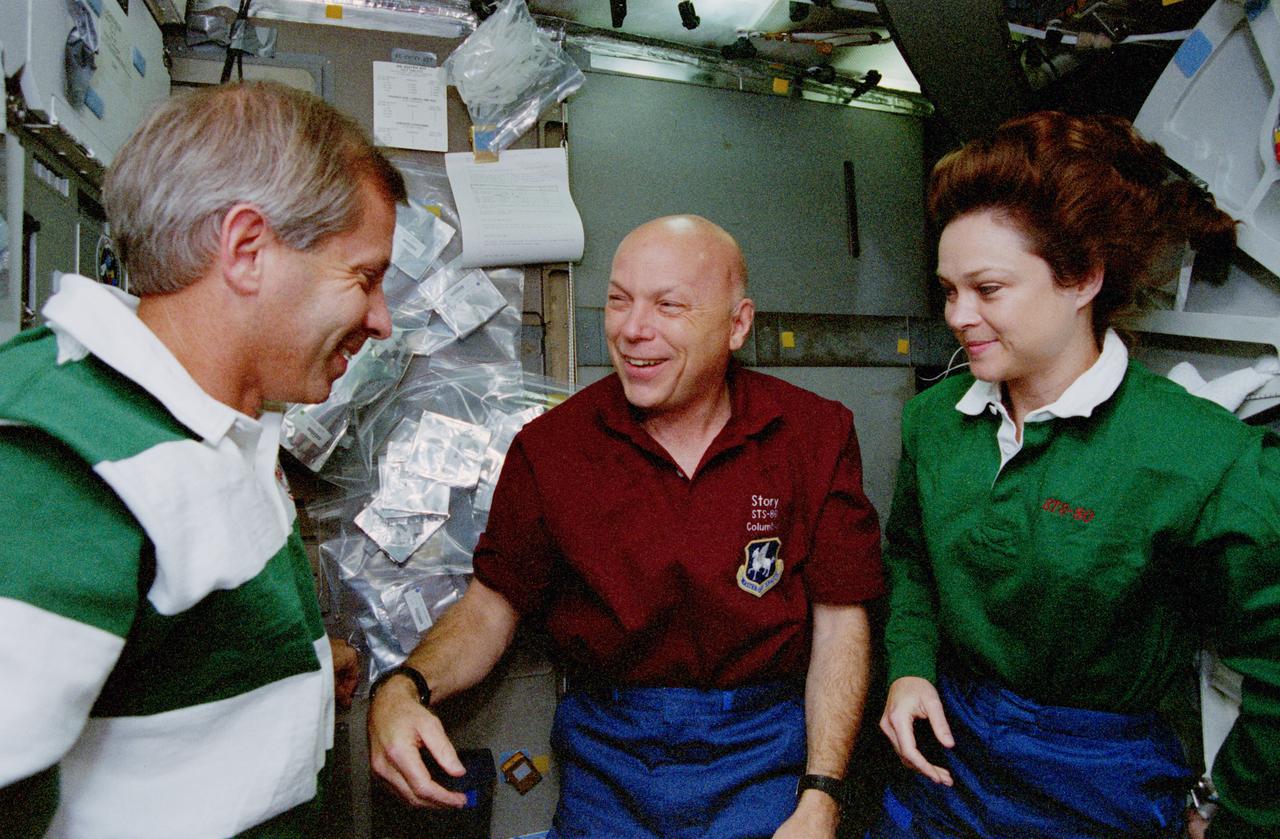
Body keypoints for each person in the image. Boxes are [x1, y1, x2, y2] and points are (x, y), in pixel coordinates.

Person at [369, 214, 885, 838]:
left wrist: (822, 794)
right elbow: (489, 611)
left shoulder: (812, 434)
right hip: (609, 757)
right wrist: (404, 686)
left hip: (765, 750)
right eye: (617, 301)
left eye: (668, 305)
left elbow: (840, 624)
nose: (633, 330)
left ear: (738, 324)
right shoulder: (552, 449)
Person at [0, 81, 405, 837]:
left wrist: (304, 660)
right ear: (248, 250)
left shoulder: (213, 427)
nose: (380, 320)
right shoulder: (57, 455)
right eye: (365, 277)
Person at [871, 110, 1280, 838]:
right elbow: (911, 560)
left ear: (1084, 276)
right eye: (947, 289)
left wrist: (1235, 816)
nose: (958, 315)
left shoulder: (1197, 454)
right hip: (945, 762)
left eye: (988, 289)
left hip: (1097, 780)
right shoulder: (934, 421)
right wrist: (909, 667)